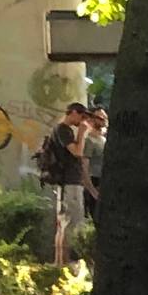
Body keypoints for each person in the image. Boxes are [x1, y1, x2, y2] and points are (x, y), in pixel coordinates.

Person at [37, 104, 90, 263]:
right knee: (71, 223)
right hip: (69, 181)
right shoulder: (63, 130)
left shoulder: (62, 130)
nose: (82, 120)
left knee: (64, 223)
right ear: (72, 112)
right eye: (81, 115)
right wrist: (82, 133)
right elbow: (77, 152)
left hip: (68, 181)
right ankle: (65, 262)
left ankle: (60, 262)